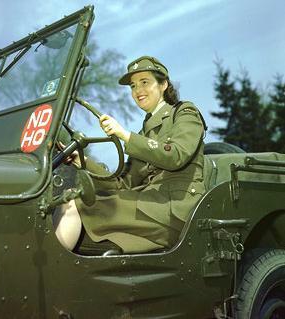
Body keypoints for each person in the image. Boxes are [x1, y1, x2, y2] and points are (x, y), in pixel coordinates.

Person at [53, 56, 206, 254]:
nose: (138, 91)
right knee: (68, 201)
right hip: (151, 207)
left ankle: (46, 277)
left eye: (145, 82)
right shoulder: (144, 134)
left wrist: (124, 135)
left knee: (74, 205)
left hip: (175, 212)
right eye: (133, 86)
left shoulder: (185, 112)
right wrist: (80, 160)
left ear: (163, 84)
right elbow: (122, 184)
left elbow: (176, 155)